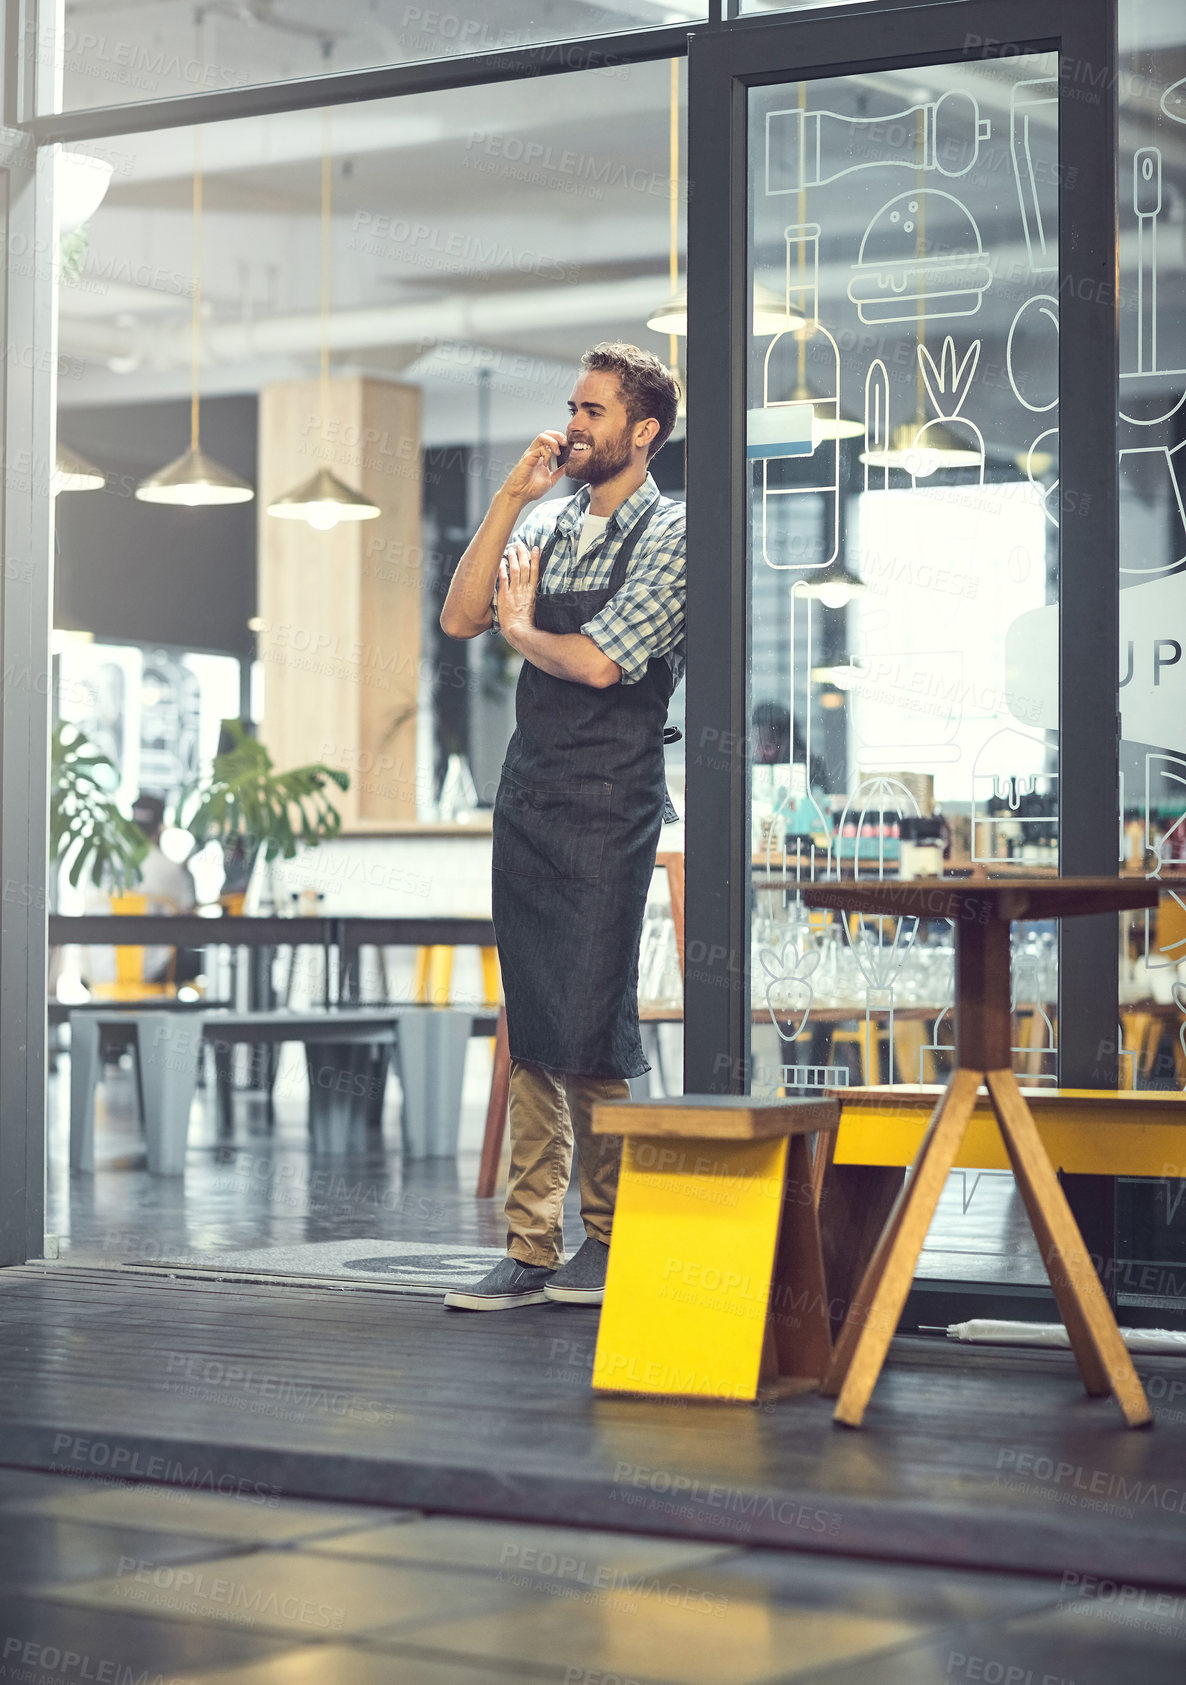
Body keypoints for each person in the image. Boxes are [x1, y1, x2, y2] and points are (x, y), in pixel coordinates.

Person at [439, 343, 685, 1311]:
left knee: (589, 1014)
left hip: (610, 795)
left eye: (593, 409)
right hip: (530, 793)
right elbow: (462, 614)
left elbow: (595, 664)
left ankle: (614, 1231)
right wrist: (507, 495)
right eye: (572, 406)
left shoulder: (672, 531)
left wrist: (521, 629)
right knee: (535, 1019)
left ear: (643, 431)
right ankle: (530, 1244)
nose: (573, 423)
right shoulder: (544, 518)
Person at [129, 793, 198, 982]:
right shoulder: (169, 869)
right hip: (153, 972)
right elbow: (186, 913)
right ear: (160, 827)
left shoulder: (100, 863)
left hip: (97, 972)